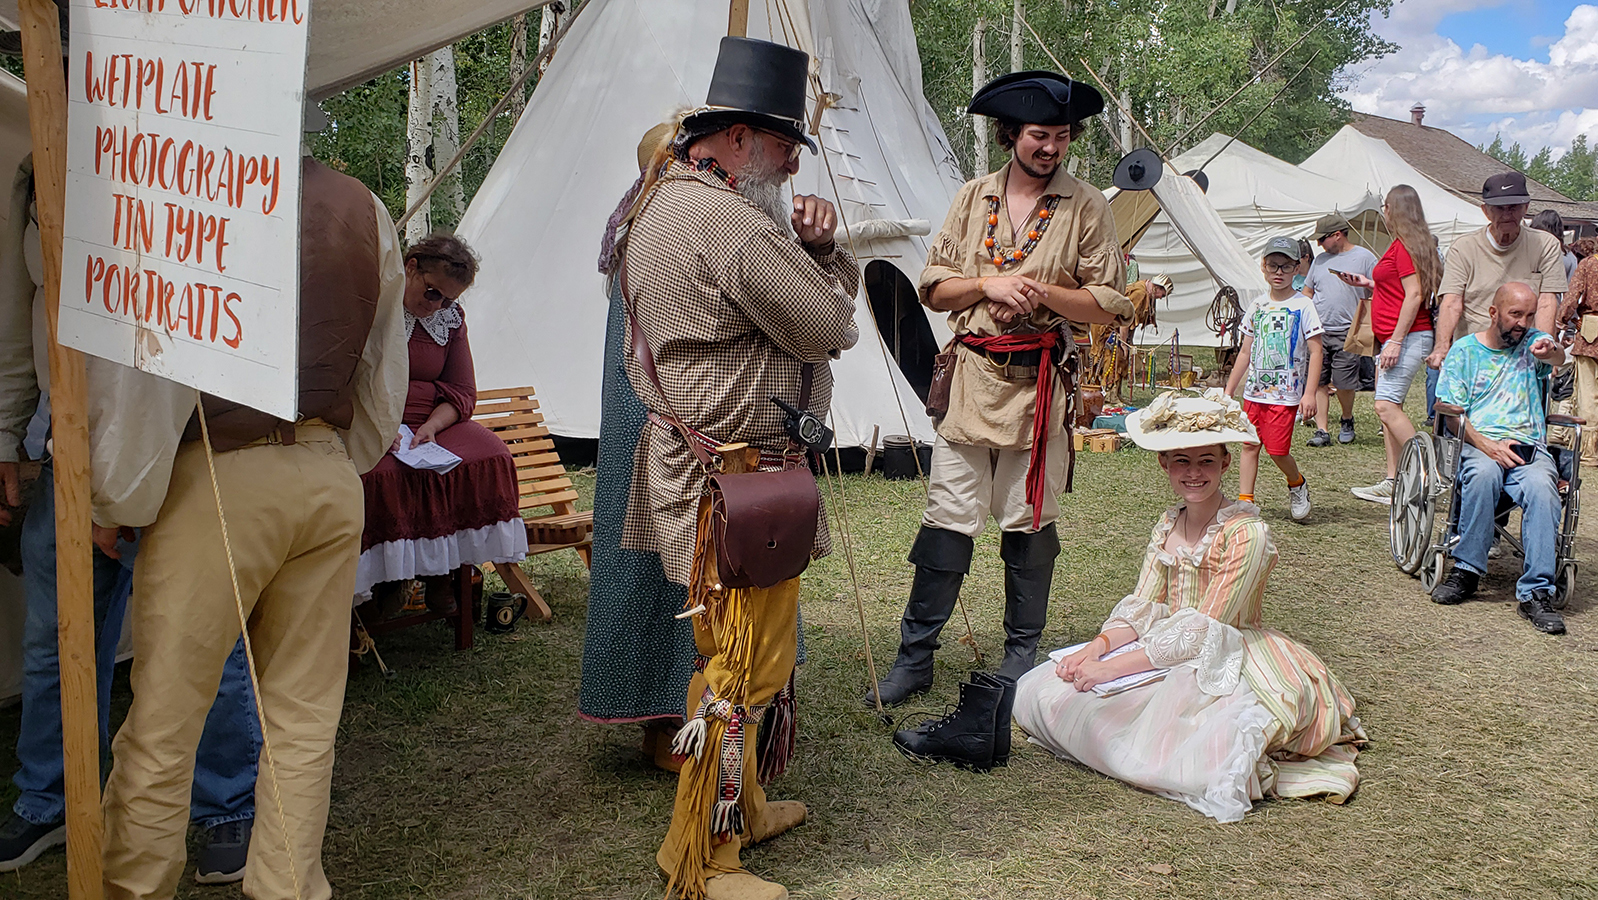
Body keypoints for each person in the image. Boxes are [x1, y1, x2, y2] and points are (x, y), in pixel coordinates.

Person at [94, 147, 408, 897]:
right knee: (303, 717)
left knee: (166, 716)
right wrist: (337, 455)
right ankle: (287, 889)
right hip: (325, 473)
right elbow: (382, 366)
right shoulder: (360, 203)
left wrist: (118, 497)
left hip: (222, 472)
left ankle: (134, 888)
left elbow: (149, 373)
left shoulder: (191, 191)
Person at [623, 38, 859, 900]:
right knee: (736, 670)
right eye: (784, 140)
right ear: (732, 140)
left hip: (726, 474)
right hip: (735, 479)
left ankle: (746, 806)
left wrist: (810, 258)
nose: (795, 158)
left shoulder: (667, 203)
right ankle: (703, 859)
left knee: (751, 656)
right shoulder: (726, 221)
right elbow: (829, 326)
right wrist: (830, 260)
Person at [0, 158, 260, 882]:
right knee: (57, 641)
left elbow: (176, 353)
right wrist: (6, 430)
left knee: (202, 635)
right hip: (67, 448)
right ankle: (49, 799)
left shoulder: (177, 161)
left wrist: (121, 489)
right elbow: (26, 315)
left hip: (174, 448)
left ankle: (225, 809)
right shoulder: (38, 172)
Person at [866, 69, 1130, 715]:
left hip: (1039, 394)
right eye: (1041, 135)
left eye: (1063, 138)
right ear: (1014, 133)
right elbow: (933, 286)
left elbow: (1110, 302)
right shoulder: (972, 197)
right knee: (946, 522)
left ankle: (1020, 658)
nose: (1051, 148)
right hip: (972, 384)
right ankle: (914, 660)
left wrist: (1042, 293)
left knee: (1029, 524)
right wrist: (989, 284)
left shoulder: (1086, 205)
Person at [1011, 390, 1365, 822]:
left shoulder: (1245, 534)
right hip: (1164, 645)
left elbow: (1205, 627)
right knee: (1038, 692)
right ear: (1164, 463)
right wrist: (1098, 648)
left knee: (1194, 756)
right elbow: (1144, 605)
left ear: (1225, 464)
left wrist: (1111, 669)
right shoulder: (1168, 523)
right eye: (1182, 460)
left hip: (1227, 650)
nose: (1194, 473)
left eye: (1206, 462)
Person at [580, 122, 695, 743]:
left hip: (650, 416)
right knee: (664, 567)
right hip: (656, 418)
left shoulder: (643, 223)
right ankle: (671, 720)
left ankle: (688, 711)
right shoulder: (659, 229)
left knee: (680, 566)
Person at [354, 234, 525, 614]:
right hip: (373, 419)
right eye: (433, 294)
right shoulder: (371, 306)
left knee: (490, 454)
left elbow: (462, 390)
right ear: (411, 267)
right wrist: (381, 429)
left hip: (431, 421)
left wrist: (432, 426)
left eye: (449, 300)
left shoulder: (448, 319)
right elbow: (351, 381)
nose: (438, 306)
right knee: (380, 473)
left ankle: (445, 572)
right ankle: (390, 578)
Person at [1430, 283, 1568, 635]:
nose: (1523, 322)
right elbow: (1450, 412)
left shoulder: (1532, 344)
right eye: (1515, 314)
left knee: (1542, 488)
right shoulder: (1464, 352)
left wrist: (1549, 350)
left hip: (1528, 448)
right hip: (1480, 444)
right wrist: (1487, 444)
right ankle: (1467, 570)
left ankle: (1537, 592)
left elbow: (1556, 356)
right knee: (1482, 475)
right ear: (1494, 313)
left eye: (1529, 315)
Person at [1343, 186, 1441, 503]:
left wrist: (1396, 341)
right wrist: (1367, 283)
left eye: (1385, 206)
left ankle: (1431, 475)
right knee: (1389, 408)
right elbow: (1400, 288)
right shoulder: (1407, 246)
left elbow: (1414, 295)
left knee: (1384, 406)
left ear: (1394, 209)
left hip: (1407, 336)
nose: (1383, 211)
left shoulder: (1404, 247)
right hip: (1399, 336)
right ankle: (1393, 479)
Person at [1224, 236, 1323, 522]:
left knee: (1278, 451)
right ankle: (1245, 502)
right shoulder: (1257, 305)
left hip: (1286, 395)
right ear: (1263, 267)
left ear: (1297, 269)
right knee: (1249, 444)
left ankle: (1297, 483)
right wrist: (1230, 389)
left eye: (1286, 266)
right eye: (1273, 266)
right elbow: (1245, 351)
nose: (1278, 272)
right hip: (1255, 393)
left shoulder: (1304, 306)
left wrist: (1309, 393)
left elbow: (1316, 351)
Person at [1426, 172, 1567, 372]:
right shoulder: (1464, 247)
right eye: (1499, 208)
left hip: (1523, 356)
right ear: (1486, 211)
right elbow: (1451, 302)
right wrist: (1442, 346)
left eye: (1514, 207)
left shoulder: (1546, 245)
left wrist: (1543, 344)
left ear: (1526, 208)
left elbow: (1546, 301)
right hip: (1474, 355)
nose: (1507, 214)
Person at [1300, 213, 1376, 447]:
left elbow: (1377, 290)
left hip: (1348, 331)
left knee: (1344, 381)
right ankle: (1322, 430)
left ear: (1337, 235)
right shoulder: (1320, 261)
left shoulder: (1364, 258)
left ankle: (1346, 418)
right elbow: (1308, 292)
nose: (1319, 245)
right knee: (1320, 380)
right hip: (1319, 332)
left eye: (1322, 239)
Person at [1089, 273, 1168, 402]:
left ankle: (1115, 392)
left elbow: (1131, 322)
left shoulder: (1144, 291)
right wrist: (1124, 343)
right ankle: (1108, 394)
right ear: (1156, 288)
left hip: (1113, 325)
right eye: (1162, 294)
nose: (1160, 298)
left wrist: (1128, 342)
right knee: (1115, 355)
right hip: (1105, 325)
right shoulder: (1140, 294)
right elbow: (1125, 320)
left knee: (1121, 356)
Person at [1559, 239, 1598, 467]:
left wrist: (1561, 320)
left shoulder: (1589, 266)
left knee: (1588, 395)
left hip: (1592, 333)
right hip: (1591, 332)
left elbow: (1572, 297)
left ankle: (1589, 453)